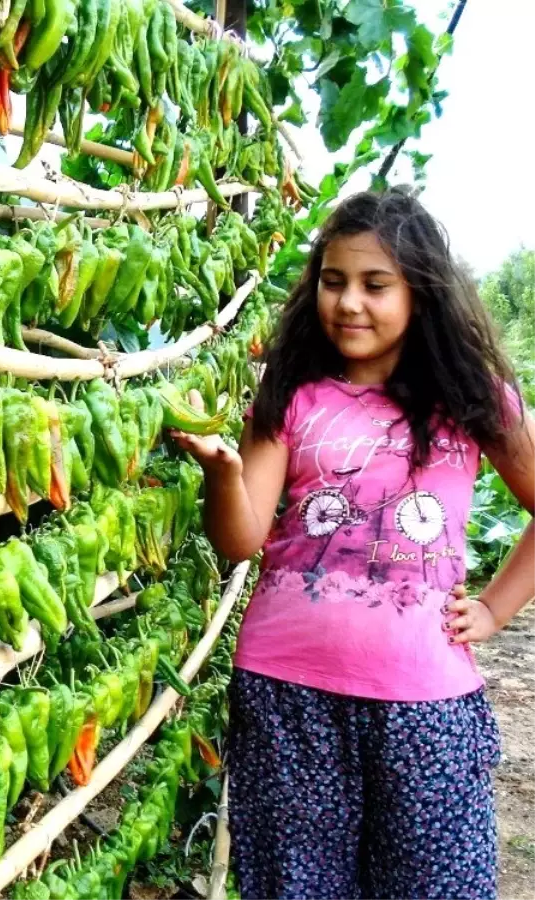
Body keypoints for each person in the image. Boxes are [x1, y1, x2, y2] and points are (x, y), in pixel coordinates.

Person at [173, 188, 535, 900]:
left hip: (424, 703)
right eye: (333, 282)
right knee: (296, 886)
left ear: (421, 294)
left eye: (375, 285)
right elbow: (241, 539)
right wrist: (223, 474)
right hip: (285, 692)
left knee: (436, 887)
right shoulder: (291, 393)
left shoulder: (471, 399)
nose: (348, 303)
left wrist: (494, 610)